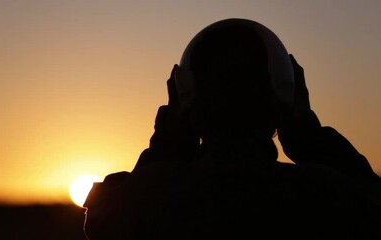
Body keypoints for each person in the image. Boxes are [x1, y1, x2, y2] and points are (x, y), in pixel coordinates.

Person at [83, 18, 381, 240]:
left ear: (187, 98)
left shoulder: (146, 201)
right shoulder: (326, 197)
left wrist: (166, 147)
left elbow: (100, 218)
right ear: (283, 95)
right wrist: (311, 139)